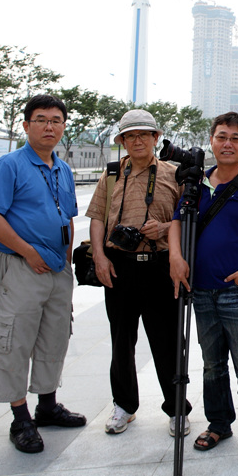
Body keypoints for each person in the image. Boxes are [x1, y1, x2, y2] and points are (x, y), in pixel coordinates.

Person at [168, 112, 238, 472]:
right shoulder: (195, 183)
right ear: (212, 140)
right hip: (200, 290)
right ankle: (219, 423)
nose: (227, 143)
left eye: (235, 138)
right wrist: (175, 257)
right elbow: (175, 223)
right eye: (221, 136)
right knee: (212, 365)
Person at [0, 93, 85, 454]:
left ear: (63, 126)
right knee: (14, 339)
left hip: (56, 269)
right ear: (26, 125)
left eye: (56, 120)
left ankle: (47, 405)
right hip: (18, 266)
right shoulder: (8, 166)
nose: (49, 126)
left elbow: (67, 217)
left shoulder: (63, 168)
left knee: (54, 336)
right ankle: (20, 417)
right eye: (41, 120)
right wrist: (28, 251)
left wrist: (66, 260)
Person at [85, 109, 190, 437]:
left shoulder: (175, 173)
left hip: (160, 266)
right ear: (123, 141)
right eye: (130, 136)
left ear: (156, 138)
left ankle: (177, 408)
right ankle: (124, 405)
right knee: (121, 340)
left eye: (144, 134)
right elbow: (97, 217)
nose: (138, 140)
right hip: (119, 266)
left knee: (167, 341)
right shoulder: (112, 174)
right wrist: (99, 256)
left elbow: (189, 219)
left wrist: (164, 228)